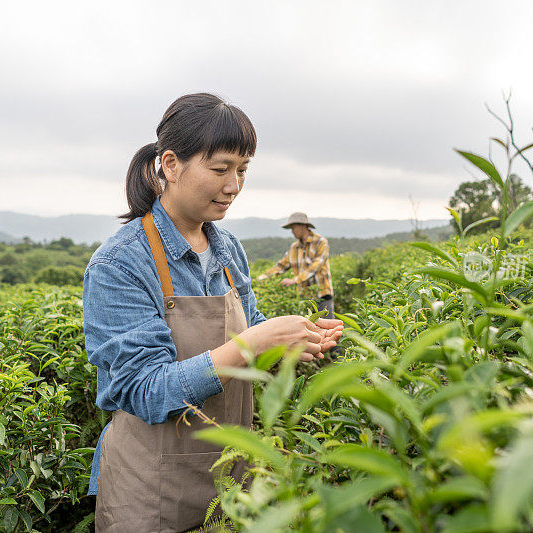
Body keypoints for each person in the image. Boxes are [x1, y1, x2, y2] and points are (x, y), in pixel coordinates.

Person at [82, 93, 344, 532]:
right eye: (220, 169)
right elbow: (145, 389)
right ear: (170, 164)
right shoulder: (120, 264)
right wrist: (254, 344)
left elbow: (252, 331)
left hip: (227, 480)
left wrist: (297, 344)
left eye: (242, 170)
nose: (233, 185)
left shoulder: (228, 251)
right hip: (149, 491)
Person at [257, 212, 336, 319]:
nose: (292, 231)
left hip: (322, 295)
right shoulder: (294, 247)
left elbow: (315, 266)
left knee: (328, 329)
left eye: (294, 227)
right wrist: (262, 278)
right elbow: (281, 266)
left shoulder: (320, 242)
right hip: (305, 298)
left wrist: (295, 280)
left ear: (303, 226)